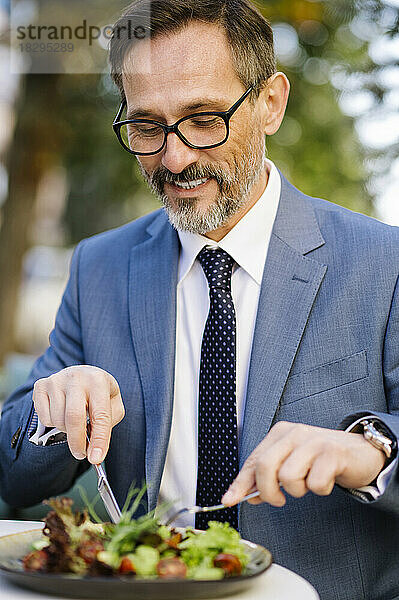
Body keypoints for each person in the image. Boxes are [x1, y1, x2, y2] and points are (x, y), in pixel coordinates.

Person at [1, 1, 399, 598]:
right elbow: (12, 476)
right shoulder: (98, 266)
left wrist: (370, 452)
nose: (175, 157)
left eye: (205, 117)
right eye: (146, 125)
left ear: (270, 103)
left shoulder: (384, 261)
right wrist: (49, 416)